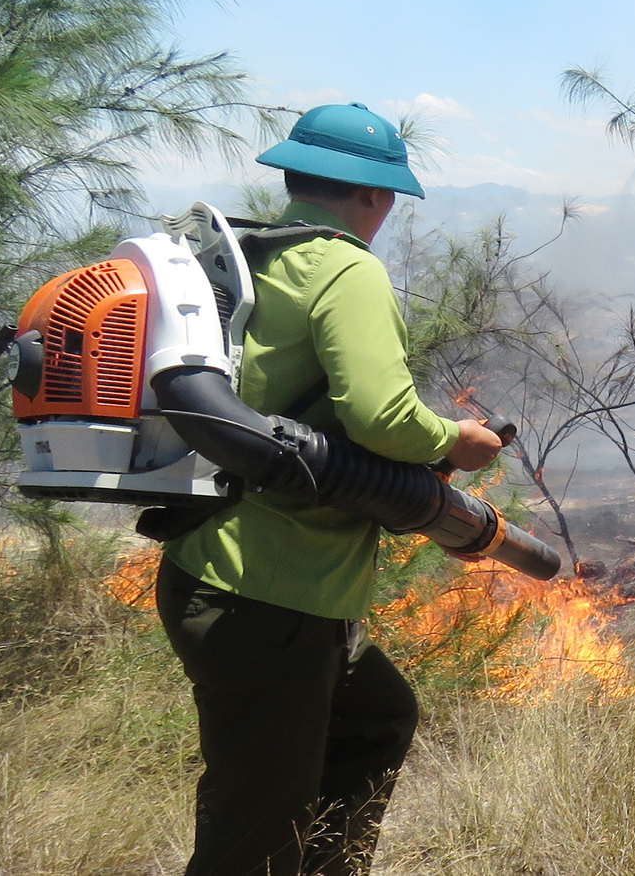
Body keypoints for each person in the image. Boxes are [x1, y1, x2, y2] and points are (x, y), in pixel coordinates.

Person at [155, 102, 504, 876]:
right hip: (270, 597)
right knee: (250, 841)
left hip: (209, 573)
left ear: (292, 177)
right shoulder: (347, 268)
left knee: (377, 718)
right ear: (377, 196)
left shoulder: (248, 257)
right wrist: (458, 440)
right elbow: (383, 418)